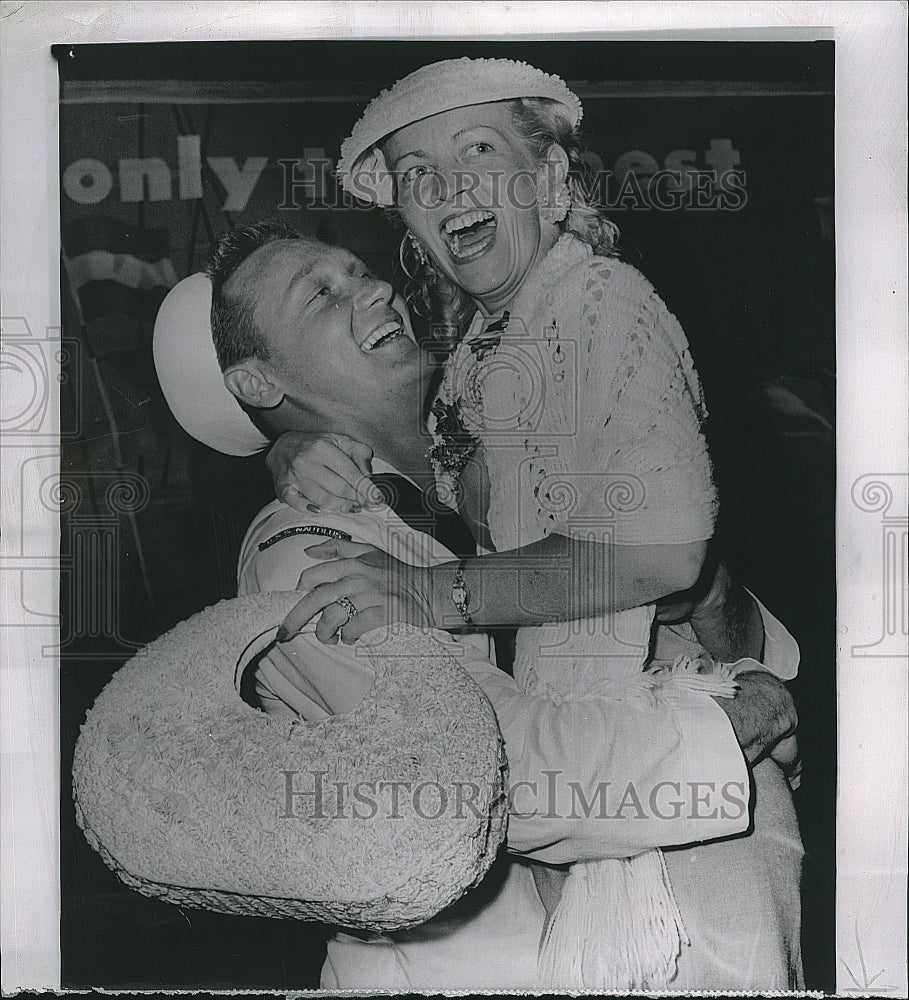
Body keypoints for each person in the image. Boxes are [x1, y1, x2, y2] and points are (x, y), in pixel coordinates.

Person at [154, 221, 802, 990]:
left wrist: (707, 597)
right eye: (320, 294)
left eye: (358, 269)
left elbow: (756, 653)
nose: (374, 287)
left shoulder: (498, 483)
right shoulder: (307, 556)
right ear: (260, 383)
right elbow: (497, 776)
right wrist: (737, 725)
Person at [268, 59, 803, 988]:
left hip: (689, 814)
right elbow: (470, 503)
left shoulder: (604, 304)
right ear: (409, 225)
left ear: (552, 180)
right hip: (606, 818)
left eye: (479, 151)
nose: (449, 188)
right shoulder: (484, 347)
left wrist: (432, 594)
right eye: (418, 175)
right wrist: (286, 450)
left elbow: (664, 554)